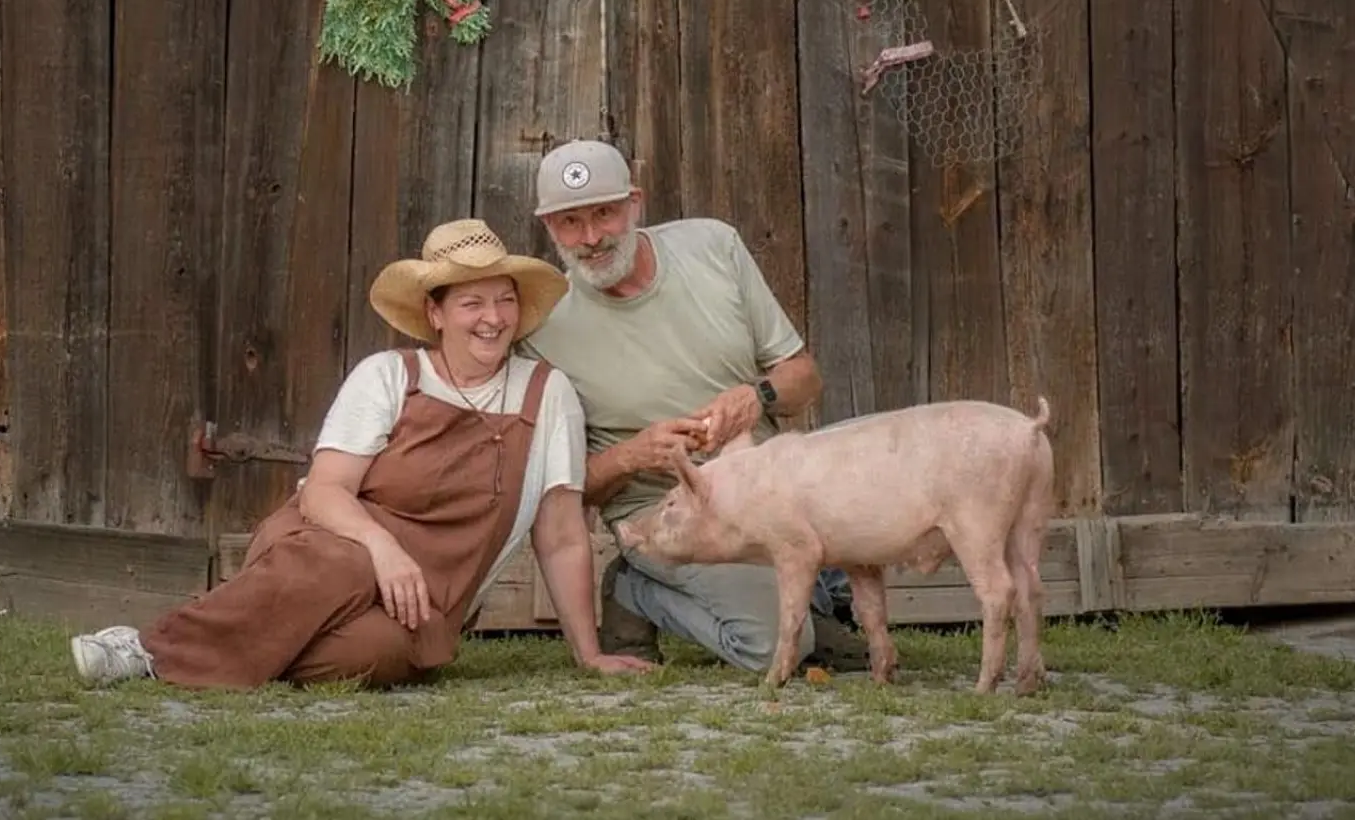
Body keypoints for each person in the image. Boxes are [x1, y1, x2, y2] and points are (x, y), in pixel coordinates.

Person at [69, 218, 656, 689]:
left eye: (503, 301)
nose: (493, 318)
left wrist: (588, 653)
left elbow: (559, 535)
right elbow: (324, 491)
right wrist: (382, 548)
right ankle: (148, 651)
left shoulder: (546, 392)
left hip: (421, 603)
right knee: (340, 565)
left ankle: (248, 638)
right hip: (329, 547)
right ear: (436, 312)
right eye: (471, 303)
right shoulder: (389, 375)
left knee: (382, 652)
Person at [515, 139, 869, 675]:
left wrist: (757, 397)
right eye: (569, 223)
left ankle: (814, 597)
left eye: (605, 214)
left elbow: (804, 379)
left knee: (882, 466)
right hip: (660, 512)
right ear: (548, 227)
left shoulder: (712, 245)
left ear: (635, 202)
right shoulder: (541, 328)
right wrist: (633, 456)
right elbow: (558, 491)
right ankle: (636, 589)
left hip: (767, 485)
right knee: (777, 648)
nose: (589, 238)